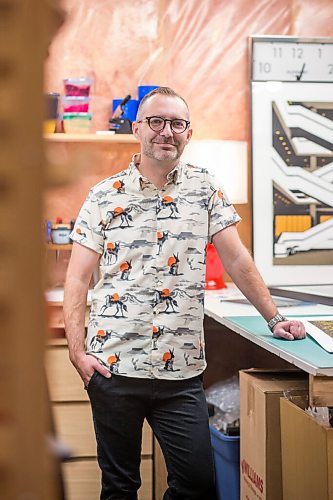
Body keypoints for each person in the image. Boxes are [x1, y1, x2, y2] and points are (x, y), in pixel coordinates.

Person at [63, 87, 306, 500]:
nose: (166, 131)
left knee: (196, 485)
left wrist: (275, 317)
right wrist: (76, 350)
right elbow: (77, 279)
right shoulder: (104, 196)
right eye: (156, 121)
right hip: (113, 366)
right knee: (120, 486)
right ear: (137, 128)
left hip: (181, 372)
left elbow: (237, 260)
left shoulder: (205, 189)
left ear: (188, 133)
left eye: (177, 123)